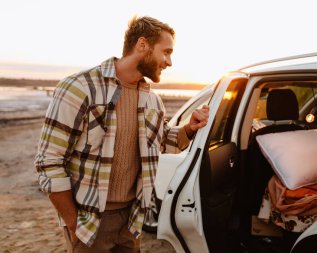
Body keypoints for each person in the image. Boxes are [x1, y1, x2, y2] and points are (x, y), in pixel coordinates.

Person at [35, 16, 209, 253]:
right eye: (166, 52)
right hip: (89, 222)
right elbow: (49, 162)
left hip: (132, 219)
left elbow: (160, 142)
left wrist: (189, 127)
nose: (169, 62)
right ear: (142, 45)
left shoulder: (152, 100)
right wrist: (74, 222)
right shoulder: (80, 87)